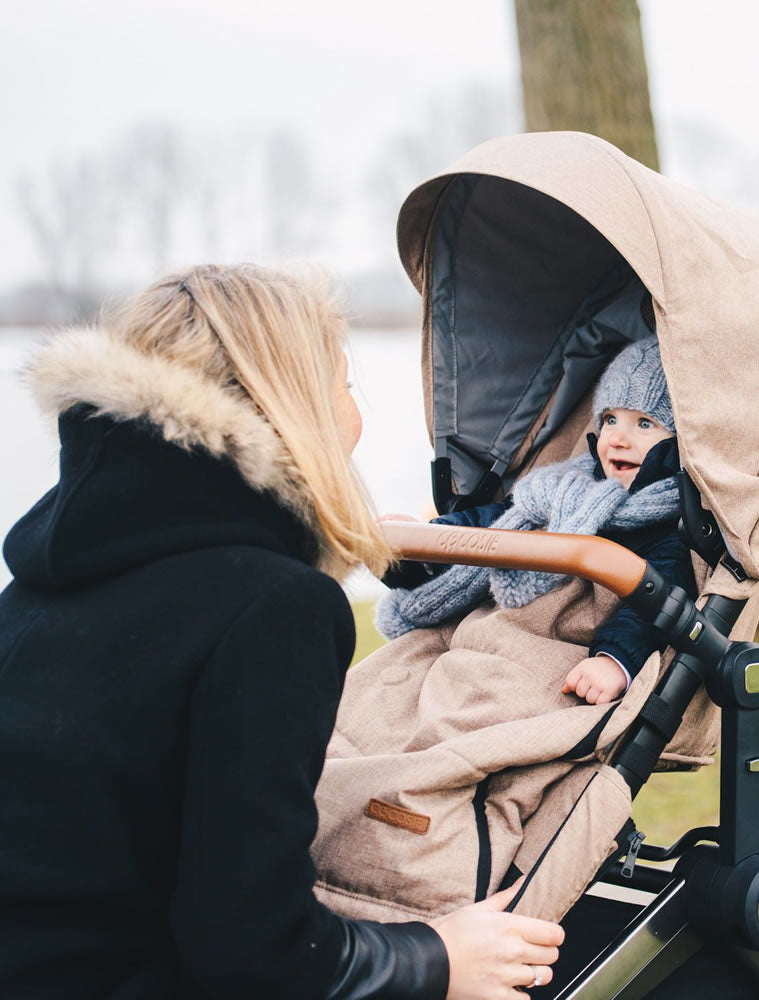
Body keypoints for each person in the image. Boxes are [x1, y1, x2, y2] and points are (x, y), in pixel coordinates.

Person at [0, 264, 563, 1000]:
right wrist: (436, 958)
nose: (354, 413)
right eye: (344, 384)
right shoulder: (270, 607)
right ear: (298, 405)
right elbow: (255, 951)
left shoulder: (45, 576)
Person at [377, 336, 696, 701]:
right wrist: (428, 540)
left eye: (644, 424)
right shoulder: (559, 486)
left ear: (679, 443)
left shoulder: (666, 525)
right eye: (610, 419)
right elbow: (494, 521)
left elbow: (656, 602)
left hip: (554, 653)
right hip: (489, 633)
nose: (618, 438)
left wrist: (614, 660)